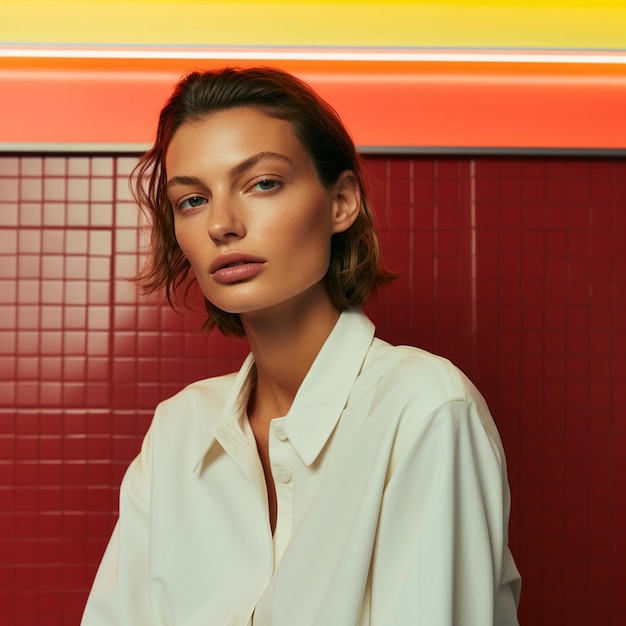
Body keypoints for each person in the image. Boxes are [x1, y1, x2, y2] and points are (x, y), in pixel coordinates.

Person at [81, 66, 521, 625]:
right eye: (192, 200)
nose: (222, 224)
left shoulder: (425, 408)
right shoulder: (177, 430)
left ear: (341, 203)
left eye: (263, 183)